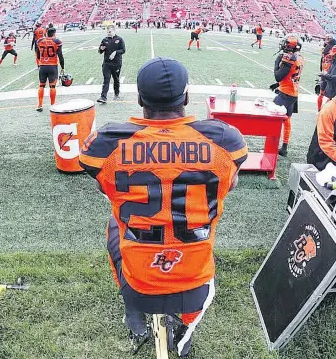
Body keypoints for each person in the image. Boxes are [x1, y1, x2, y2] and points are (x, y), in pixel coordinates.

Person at [79, 57, 248, 357]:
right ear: (185, 97)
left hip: (140, 284)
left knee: (115, 224)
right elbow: (231, 183)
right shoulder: (224, 140)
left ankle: (133, 313)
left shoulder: (107, 143)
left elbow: (101, 184)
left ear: (140, 98)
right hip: (194, 285)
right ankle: (187, 327)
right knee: (201, 236)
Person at [273, 35, 304, 157]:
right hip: (293, 92)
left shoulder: (289, 58)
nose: (284, 45)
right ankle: (284, 147)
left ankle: (272, 146)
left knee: (273, 119)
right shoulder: (300, 57)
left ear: (291, 46)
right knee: (287, 121)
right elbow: (288, 75)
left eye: (286, 44)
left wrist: (277, 62)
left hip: (286, 93)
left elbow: (278, 75)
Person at [35, 27, 64, 111]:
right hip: (52, 66)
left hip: (42, 66)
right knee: (52, 86)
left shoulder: (40, 41)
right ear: (54, 33)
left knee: (41, 85)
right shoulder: (56, 41)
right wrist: (63, 67)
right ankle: (53, 105)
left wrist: (41, 61)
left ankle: (40, 105)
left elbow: (38, 54)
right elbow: (60, 56)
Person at [97, 25, 126, 104]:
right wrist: (101, 49)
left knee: (116, 80)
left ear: (114, 31)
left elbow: (123, 50)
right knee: (106, 80)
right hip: (106, 64)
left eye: (109, 32)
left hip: (116, 64)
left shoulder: (119, 39)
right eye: (107, 32)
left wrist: (115, 52)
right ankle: (103, 97)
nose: (108, 33)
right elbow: (99, 51)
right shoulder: (104, 40)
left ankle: (116, 94)